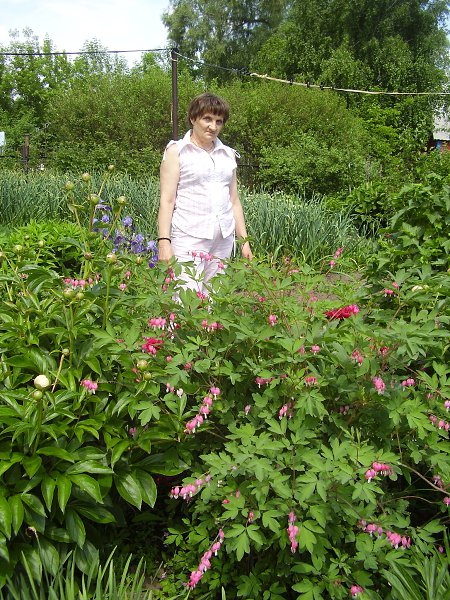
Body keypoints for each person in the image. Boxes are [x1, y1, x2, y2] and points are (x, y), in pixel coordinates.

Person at [157, 92, 252, 295]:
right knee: (185, 300)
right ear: (193, 119)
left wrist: (244, 242)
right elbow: (167, 200)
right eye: (207, 119)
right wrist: (164, 242)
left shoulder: (227, 154)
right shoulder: (177, 151)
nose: (213, 126)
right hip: (189, 237)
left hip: (223, 239)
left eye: (219, 121)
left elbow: (234, 201)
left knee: (214, 299)